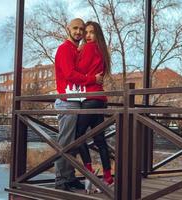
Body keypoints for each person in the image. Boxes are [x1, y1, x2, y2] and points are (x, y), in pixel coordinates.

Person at [54, 18, 103, 191]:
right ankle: (61, 180)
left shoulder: (78, 50)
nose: (79, 32)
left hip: (78, 101)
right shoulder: (65, 49)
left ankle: (69, 177)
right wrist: (93, 79)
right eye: (75, 28)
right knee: (66, 142)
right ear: (68, 28)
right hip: (67, 102)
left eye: (82, 29)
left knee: (75, 142)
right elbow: (69, 74)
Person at [75, 21, 113, 187]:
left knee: (78, 136)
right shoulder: (102, 51)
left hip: (90, 99)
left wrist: (77, 54)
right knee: (100, 139)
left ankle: (89, 172)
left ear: (97, 34)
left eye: (91, 32)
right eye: (87, 32)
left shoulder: (89, 48)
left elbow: (79, 68)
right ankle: (108, 177)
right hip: (100, 99)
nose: (88, 35)